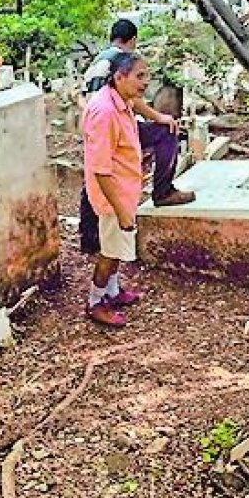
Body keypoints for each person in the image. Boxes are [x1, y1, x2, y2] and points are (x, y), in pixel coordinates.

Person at [78, 19, 194, 255]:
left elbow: (82, 97)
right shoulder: (121, 61)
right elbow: (133, 98)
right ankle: (163, 191)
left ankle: (89, 237)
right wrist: (160, 117)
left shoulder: (97, 61)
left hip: (94, 125)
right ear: (132, 40)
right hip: (112, 122)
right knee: (166, 133)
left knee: (95, 176)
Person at [81, 52, 157, 327]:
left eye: (146, 75)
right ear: (119, 77)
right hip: (113, 196)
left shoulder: (120, 101)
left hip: (125, 190)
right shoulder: (104, 111)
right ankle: (95, 301)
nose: (145, 82)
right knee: (110, 251)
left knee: (118, 247)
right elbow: (101, 169)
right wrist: (122, 211)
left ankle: (112, 291)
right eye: (140, 76)